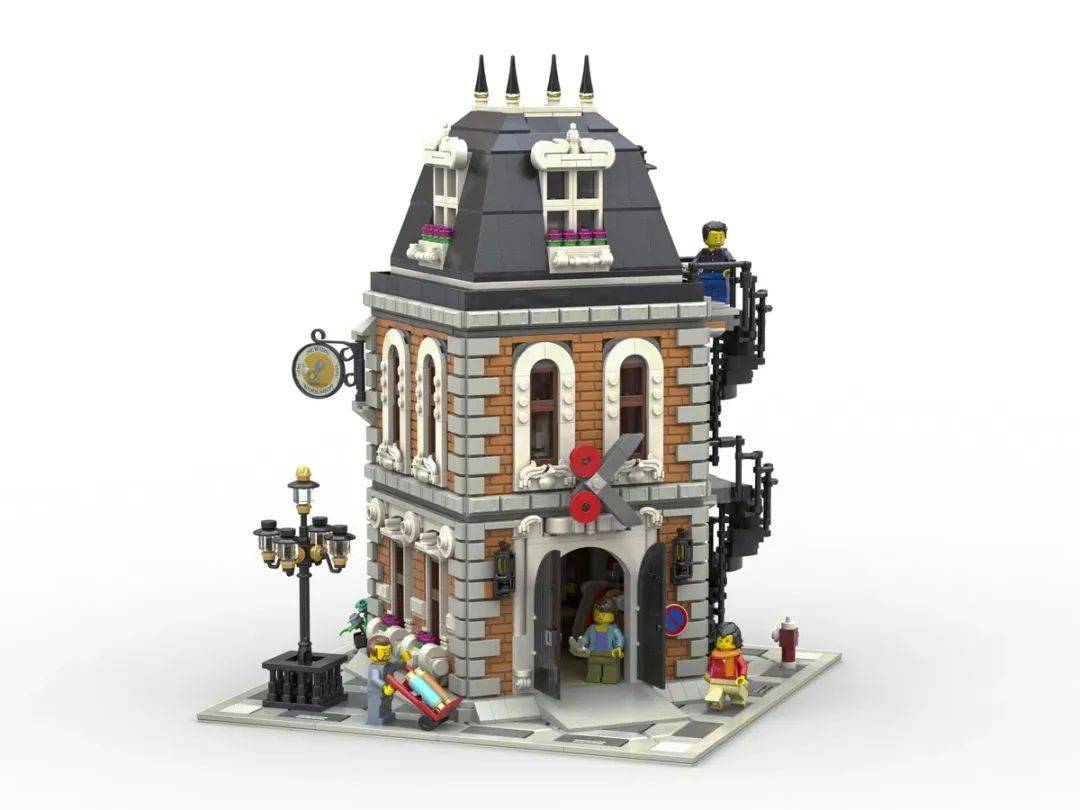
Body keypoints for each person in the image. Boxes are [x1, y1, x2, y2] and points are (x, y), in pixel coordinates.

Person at [704, 621, 749, 710]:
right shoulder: (714, 655)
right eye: (720, 641)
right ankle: (715, 704)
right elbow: (710, 665)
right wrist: (708, 674)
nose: (723, 644)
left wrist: (742, 676)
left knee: (737, 696)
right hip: (716, 680)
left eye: (727, 641)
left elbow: (743, 666)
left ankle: (739, 701)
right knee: (714, 696)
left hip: (733, 681)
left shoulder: (736, 656)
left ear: (736, 641)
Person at [581, 599, 624, 684]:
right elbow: (585, 638)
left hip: (610, 654)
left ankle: (610, 678)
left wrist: (618, 648)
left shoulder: (614, 629)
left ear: (612, 615)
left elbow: (619, 639)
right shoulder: (591, 628)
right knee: (594, 669)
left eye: (603, 615)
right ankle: (594, 677)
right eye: (597, 614)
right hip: (593, 654)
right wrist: (582, 644)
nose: (600, 617)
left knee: (610, 670)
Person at [694, 221, 736, 304]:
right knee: (705, 296)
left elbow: (732, 263)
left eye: (720, 237)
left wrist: (728, 270)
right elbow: (694, 262)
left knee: (720, 297)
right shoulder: (703, 253)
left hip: (720, 278)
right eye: (715, 237)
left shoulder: (724, 252)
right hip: (704, 278)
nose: (718, 240)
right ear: (705, 239)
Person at [366, 635, 400, 725]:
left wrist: (404, 659)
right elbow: (375, 679)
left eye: (388, 652)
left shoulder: (388, 665)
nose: (386, 654)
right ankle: (375, 718)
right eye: (383, 652)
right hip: (376, 692)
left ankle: (386, 714)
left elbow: (397, 666)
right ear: (371, 654)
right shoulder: (374, 668)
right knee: (377, 705)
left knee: (388, 702)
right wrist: (385, 687)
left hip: (388, 690)